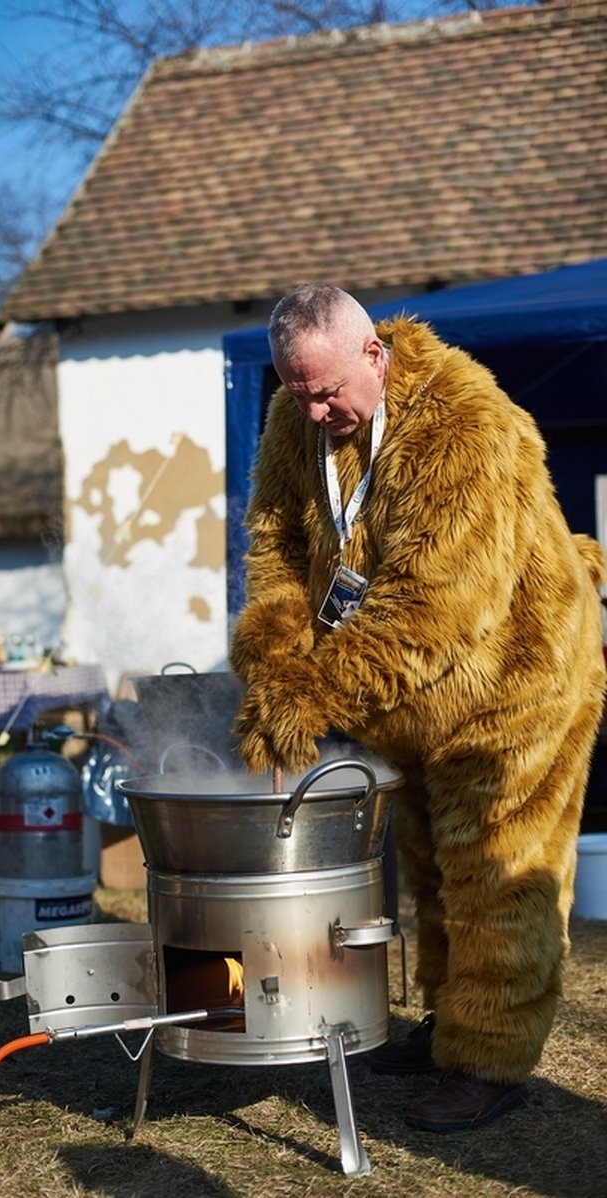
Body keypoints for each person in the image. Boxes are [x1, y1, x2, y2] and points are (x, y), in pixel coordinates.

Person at [229, 283, 606, 1133]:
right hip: (408, 701)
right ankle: (448, 1024)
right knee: (432, 867)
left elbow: (435, 607)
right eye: (298, 391)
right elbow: (277, 545)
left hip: (520, 681)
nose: (317, 409)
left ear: (375, 354)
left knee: (497, 876)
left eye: (328, 390)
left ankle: (491, 1060)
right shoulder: (300, 421)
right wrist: (276, 658)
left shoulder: (462, 422)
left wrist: (316, 690)